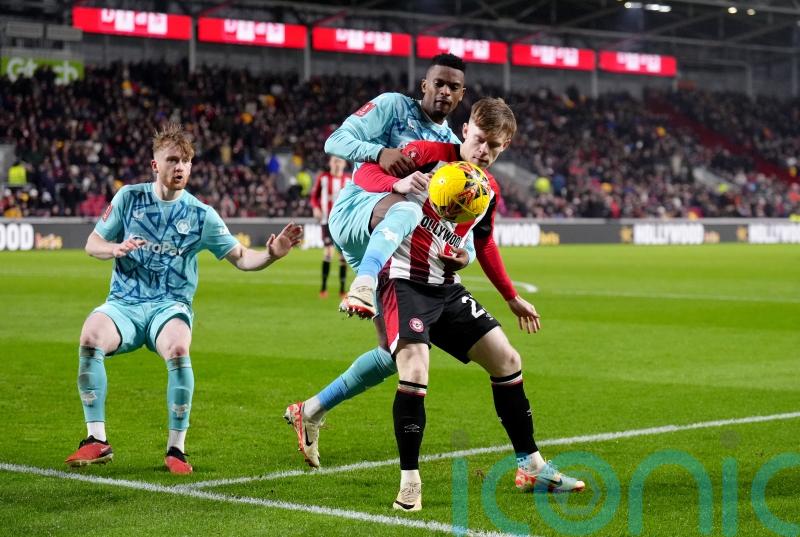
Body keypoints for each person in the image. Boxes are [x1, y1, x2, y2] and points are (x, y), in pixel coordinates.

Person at [285, 101, 572, 507]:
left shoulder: (487, 188)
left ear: (505, 146)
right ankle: (409, 482)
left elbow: (483, 243)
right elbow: (365, 174)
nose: (484, 151)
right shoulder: (428, 153)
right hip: (402, 281)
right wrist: (397, 184)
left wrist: (506, 292)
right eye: (479, 139)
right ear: (466, 129)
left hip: (445, 286)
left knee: (507, 360)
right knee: (415, 369)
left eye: (494, 146)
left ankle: (531, 465)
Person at [64, 123, 303, 474]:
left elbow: (241, 258)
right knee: (89, 337)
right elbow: (92, 243)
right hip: (124, 303)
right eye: (173, 160)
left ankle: (176, 449)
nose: (180, 167)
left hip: (169, 306)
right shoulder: (129, 198)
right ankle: (96, 439)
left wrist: (271, 255)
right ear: (155, 165)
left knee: (178, 348)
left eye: (186, 161)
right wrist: (115, 248)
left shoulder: (201, 215)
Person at [325, 53, 467, 318]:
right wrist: (379, 153)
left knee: (393, 341)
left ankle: (364, 285)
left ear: (461, 94)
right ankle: (364, 282)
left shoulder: (453, 147)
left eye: (453, 87)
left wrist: (467, 253)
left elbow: (461, 215)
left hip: (391, 241)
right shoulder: (394, 106)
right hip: (357, 210)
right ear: (424, 85)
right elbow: (334, 141)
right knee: (408, 210)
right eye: (439, 83)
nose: (445, 91)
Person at [310, 156, 351, 298]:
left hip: (343, 222)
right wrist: (316, 208)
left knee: (343, 256)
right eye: (334, 161)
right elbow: (314, 197)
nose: (337, 163)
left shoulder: (349, 181)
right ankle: (323, 288)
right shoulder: (323, 178)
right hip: (326, 221)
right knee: (328, 252)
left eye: (340, 161)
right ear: (330, 163)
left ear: (344, 163)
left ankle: (342, 289)